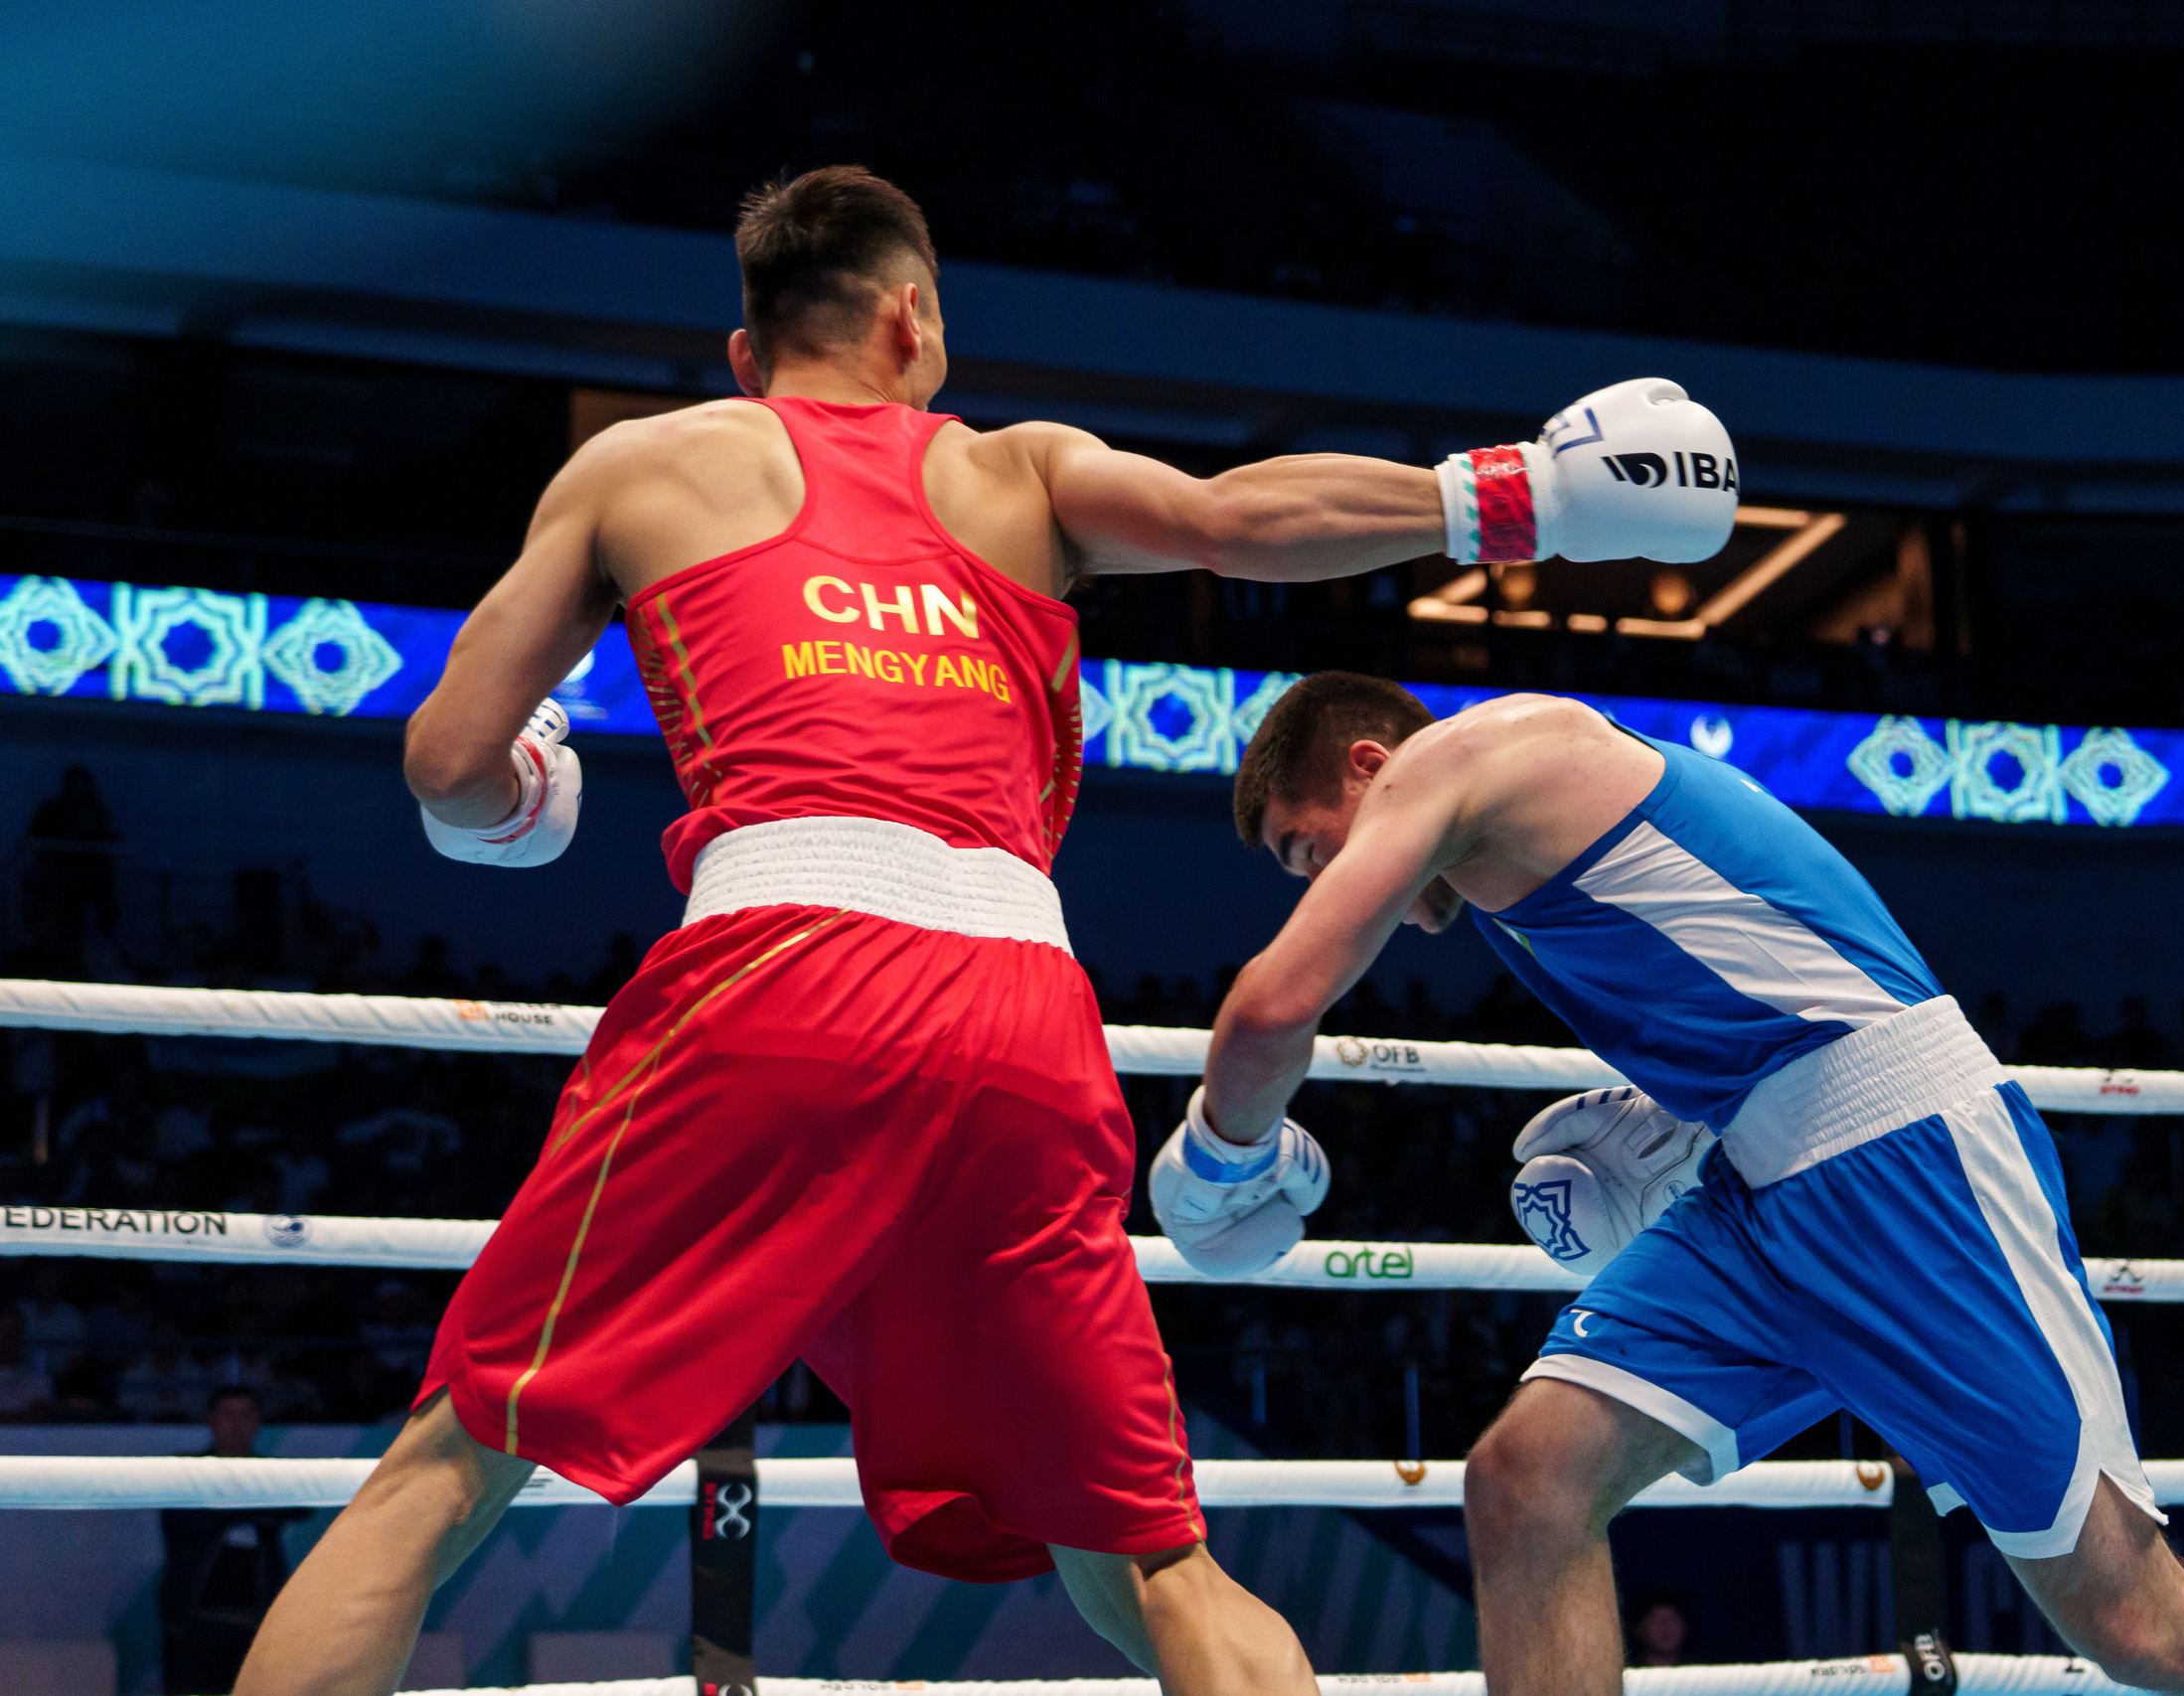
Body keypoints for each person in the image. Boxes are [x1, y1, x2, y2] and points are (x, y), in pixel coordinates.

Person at [236, 163, 1737, 1696]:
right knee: (1153, 1559)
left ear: (751, 356)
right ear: (914, 319)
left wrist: (519, 799)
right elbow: (1236, 520)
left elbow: (444, 764)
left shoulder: (642, 467)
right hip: (1020, 1011)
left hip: (776, 982)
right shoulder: (1020, 472)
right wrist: (1527, 497)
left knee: (445, 1472)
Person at [1170, 672, 2184, 1696]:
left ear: (1370, 764)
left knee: (2135, 1620)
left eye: (1302, 845)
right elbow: (1747, 965)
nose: (1311, 878)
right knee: (1527, 1484)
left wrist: (1222, 1164)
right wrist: (1672, 1121)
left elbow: (1273, 1008)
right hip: (1758, 1191)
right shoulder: (1505, 851)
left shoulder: (1464, 760)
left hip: (1906, 1165)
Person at [163, 1387, 307, 1695]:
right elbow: (183, 1520)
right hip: (195, 1625)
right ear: (211, 1419)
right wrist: (254, 1506)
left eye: (246, 1415)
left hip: (257, 1626)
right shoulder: (185, 1470)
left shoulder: (273, 1473)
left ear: (258, 1422)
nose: (237, 1424)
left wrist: (222, 1504)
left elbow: (301, 1506)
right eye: (229, 1414)